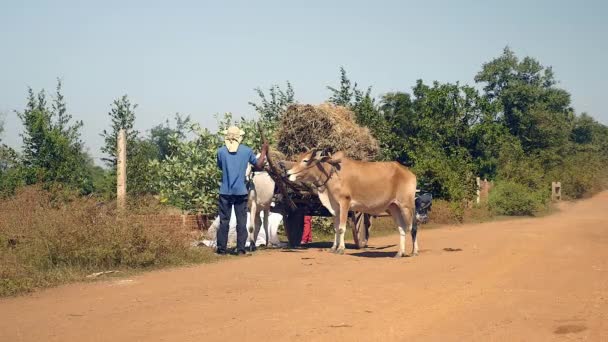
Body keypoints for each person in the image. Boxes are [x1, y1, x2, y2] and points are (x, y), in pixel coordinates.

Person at [216, 126, 268, 255]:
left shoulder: (221, 152)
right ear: (239, 137)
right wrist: (264, 151)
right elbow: (259, 165)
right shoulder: (246, 151)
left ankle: (221, 249)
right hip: (241, 192)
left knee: (224, 221)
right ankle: (240, 249)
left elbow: (221, 167)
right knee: (241, 221)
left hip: (225, 192)